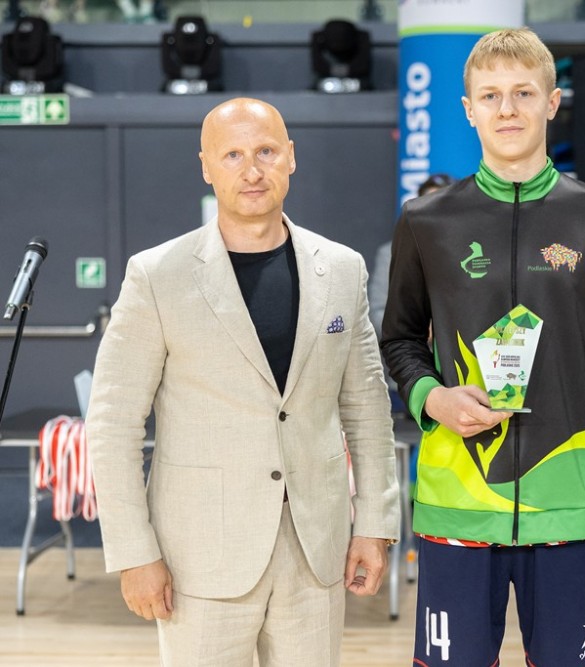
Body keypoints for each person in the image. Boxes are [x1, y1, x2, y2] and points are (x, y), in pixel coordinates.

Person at [86, 98, 400, 665]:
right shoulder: (157, 275)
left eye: (266, 151)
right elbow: (113, 424)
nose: (252, 170)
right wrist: (134, 552)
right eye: (232, 154)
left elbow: (368, 411)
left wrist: (375, 524)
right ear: (206, 166)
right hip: (199, 557)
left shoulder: (342, 268)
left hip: (315, 551)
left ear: (291, 157)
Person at [381, 28, 585, 667]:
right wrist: (433, 399)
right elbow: (398, 339)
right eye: (490, 95)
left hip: (571, 498)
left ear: (552, 102)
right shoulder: (425, 220)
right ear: (468, 109)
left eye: (523, 93)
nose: (507, 109)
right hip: (458, 500)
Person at [368, 173, 454, 342]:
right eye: (429, 204)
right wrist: (418, 330)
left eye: (443, 204)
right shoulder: (391, 251)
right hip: (412, 349)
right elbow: (378, 314)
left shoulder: (471, 249)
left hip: (463, 350)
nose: (436, 212)